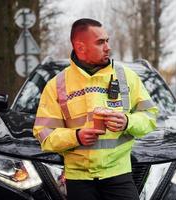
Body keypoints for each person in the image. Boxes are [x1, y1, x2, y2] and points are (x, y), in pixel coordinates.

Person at [33, 18, 158, 200]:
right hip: (78, 180)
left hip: (119, 175)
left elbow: (150, 116)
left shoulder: (127, 77)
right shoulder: (56, 85)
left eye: (107, 41)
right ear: (80, 47)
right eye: (100, 42)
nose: (108, 47)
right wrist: (76, 136)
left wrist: (127, 121)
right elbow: (44, 134)